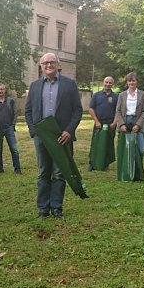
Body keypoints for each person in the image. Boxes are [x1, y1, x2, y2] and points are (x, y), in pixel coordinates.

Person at [24, 52, 83, 218]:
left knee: (59, 172)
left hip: (61, 136)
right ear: (41, 66)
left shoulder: (69, 84)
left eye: (51, 62)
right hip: (41, 136)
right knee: (43, 172)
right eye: (45, 63)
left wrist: (69, 131)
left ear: (58, 64)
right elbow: (28, 111)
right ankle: (43, 209)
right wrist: (34, 132)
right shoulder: (34, 86)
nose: (48, 65)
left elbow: (77, 110)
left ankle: (56, 208)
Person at [0, 82, 21, 174]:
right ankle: (0, 170)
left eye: (1, 89)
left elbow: (15, 113)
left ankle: (17, 169)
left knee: (14, 150)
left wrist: (13, 125)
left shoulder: (10, 101)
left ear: (5, 90)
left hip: (9, 128)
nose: (0, 91)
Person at [87, 76, 118, 170]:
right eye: (106, 82)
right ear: (103, 82)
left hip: (110, 123)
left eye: (110, 83)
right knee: (95, 142)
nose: (108, 84)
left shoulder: (116, 96)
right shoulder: (96, 95)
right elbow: (91, 108)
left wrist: (114, 123)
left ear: (113, 84)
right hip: (99, 123)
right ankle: (92, 163)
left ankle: (105, 164)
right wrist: (96, 121)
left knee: (108, 144)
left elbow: (118, 111)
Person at [114, 72, 144, 156]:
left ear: (137, 81)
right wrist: (121, 124)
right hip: (125, 121)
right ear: (127, 82)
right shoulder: (122, 95)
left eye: (133, 80)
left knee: (140, 150)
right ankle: (125, 164)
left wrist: (138, 125)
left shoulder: (142, 94)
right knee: (124, 149)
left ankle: (137, 164)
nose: (131, 83)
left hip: (137, 121)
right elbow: (118, 110)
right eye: (129, 81)